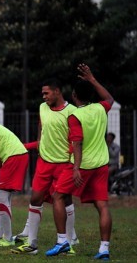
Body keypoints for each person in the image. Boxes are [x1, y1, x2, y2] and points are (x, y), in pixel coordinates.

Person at [47, 64, 114, 260]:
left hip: (82, 165)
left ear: (75, 96)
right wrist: (92, 79)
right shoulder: (101, 109)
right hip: (101, 164)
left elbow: (77, 142)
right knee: (102, 205)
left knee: (57, 196)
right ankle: (104, 249)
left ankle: (62, 242)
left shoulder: (75, 114)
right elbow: (109, 98)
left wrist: (75, 168)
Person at [11, 79, 79, 255]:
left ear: (57, 91)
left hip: (64, 163)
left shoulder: (72, 111)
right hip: (44, 162)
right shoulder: (42, 107)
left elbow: (77, 139)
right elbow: (41, 125)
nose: (44, 97)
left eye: (46, 93)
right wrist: (40, 142)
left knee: (65, 200)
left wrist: (73, 163)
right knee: (35, 198)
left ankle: (68, 242)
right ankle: (32, 244)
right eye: (43, 94)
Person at [0, 120, 28, 247]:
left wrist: (1, 171)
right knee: (3, 197)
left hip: (13, 156)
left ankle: (8, 238)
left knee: (0, 196)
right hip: (17, 155)